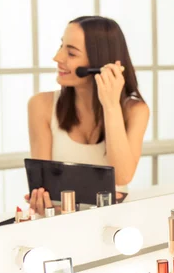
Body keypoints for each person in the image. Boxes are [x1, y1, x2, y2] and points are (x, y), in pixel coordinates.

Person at [27, 16, 149, 215]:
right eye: (61, 46)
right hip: (58, 223)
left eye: (71, 53)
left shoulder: (135, 110)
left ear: (98, 62)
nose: (57, 58)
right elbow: (44, 185)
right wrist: (43, 202)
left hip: (111, 222)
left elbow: (122, 177)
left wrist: (111, 106)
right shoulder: (40, 105)